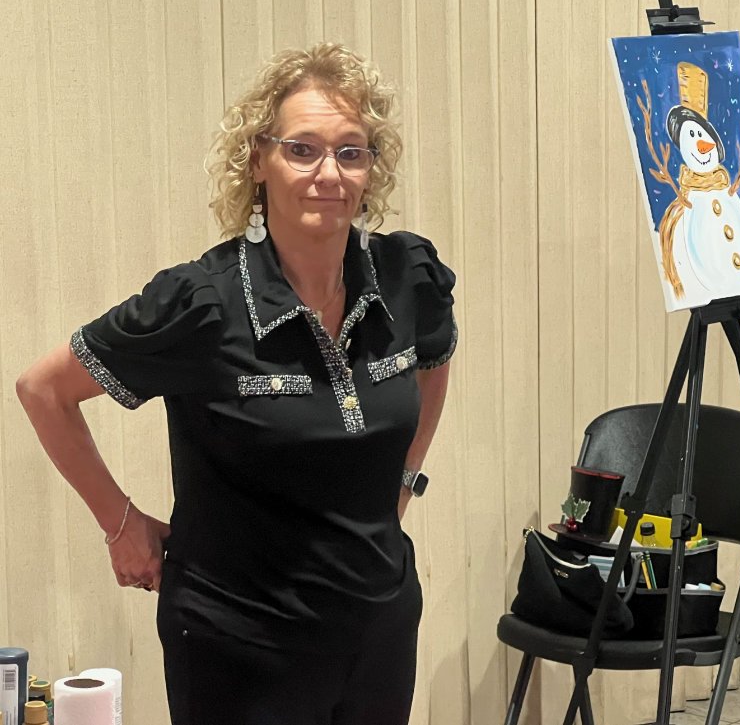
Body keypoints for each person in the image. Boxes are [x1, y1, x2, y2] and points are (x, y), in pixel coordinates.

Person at [15, 42, 457, 724]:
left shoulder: (406, 275)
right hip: (240, 644)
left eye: (351, 151)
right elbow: (44, 390)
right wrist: (121, 523)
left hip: (379, 630)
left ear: (372, 168)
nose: (328, 173)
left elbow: (433, 361)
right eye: (301, 149)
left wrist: (404, 479)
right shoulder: (203, 303)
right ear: (258, 160)